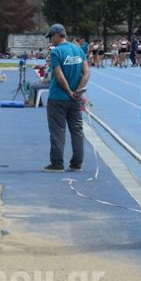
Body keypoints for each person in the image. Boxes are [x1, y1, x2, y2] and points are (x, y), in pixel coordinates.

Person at [43, 23, 90, 172]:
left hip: (58, 97)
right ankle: (77, 163)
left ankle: (57, 163)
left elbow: (58, 74)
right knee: (77, 130)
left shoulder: (56, 52)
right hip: (75, 98)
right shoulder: (78, 50)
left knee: (57, 131)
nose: (50, 40)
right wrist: (78, 90)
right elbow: (87, 72)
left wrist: (69, 91)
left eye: (51, 37)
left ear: (57, 35)